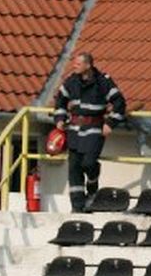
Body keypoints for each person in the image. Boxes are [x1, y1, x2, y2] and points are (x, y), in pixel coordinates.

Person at [53, 51, 126, 213]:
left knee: (89, 163)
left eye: (78, 64)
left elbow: (120, 102)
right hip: (74, 131)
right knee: (74, 169)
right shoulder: (71, 81)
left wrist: (110, 123)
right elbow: (60, 100)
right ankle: (78, 206)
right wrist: (59, 118)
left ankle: (92, 186)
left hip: (94, 129)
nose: (74, 66)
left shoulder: (103, 82)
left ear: (88, 65)